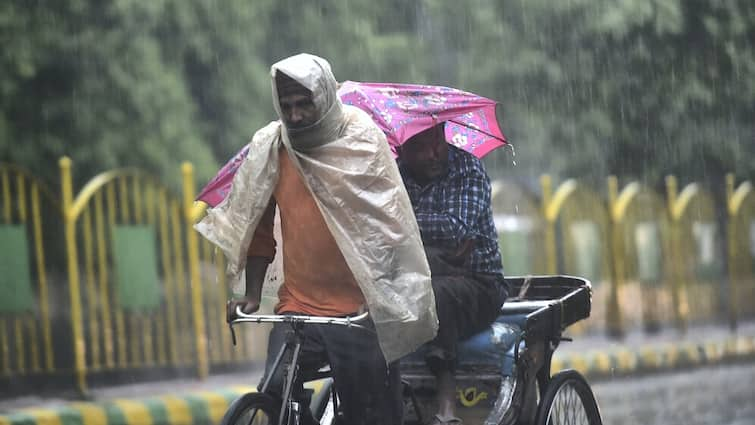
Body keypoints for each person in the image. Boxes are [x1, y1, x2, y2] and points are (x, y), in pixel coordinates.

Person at [195, 53, 437, 425]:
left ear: (324, 96)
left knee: (367, 412)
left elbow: (390, 229)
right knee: (276, 388)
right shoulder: (272, 148)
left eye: (303, 104)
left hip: (358, 311)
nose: (294, 116)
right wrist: (253, 295)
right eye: (286, 105)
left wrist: (380, 298)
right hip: (299, 307)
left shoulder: (361, 140)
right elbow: (259, 231)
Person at [397, 123, 508, 425]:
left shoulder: (468, 170)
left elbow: (453, 228)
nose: (434, 154)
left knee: (434, 293)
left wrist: (402, 227)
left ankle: (446, 405)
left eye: (438, 142)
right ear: (402, 149)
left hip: (479, 284)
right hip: (415, 278)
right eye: (420, 147)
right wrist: (435, 253)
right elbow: (375, 228)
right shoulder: (392, 174)